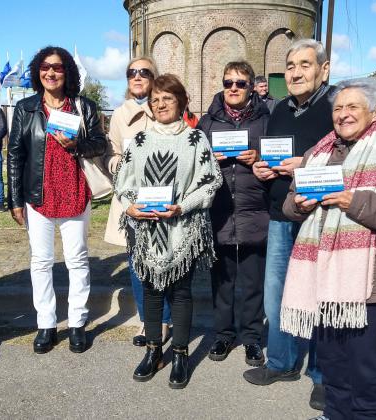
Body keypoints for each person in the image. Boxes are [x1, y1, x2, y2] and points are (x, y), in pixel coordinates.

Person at [282, 80, 376, 420]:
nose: (343, 114)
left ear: (375, 112)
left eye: (353, 107)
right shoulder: (318, 153)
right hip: (321, 277)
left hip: (366, 284)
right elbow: (289, 205)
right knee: (332, 365)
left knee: (363, 372)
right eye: (338, 108)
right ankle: (334, 415)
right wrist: (300, 206)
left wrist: (357, 202)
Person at [115, 74, 222, 389]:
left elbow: (210, 180)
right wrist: (130, 206)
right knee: (150, 291)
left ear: (181, 101)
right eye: (156, 99)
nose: (161, 104)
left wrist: (183, 207)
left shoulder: (195, 139)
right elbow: (124, 182)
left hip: (183, 228)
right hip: (147, 230)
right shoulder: (140, 141)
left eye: (167, 98)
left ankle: (180, 354)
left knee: (181, 292)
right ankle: (153, 351)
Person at [246, 38, 331, 410]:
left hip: (321, 217)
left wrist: (307, 165)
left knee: (321, 296)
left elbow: (349, 161)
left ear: (323, 70)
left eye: (305, 65)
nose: (296, 72)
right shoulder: (279, 109)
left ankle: (324, 375)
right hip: (281, 213)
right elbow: (269, 154)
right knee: (277, 294)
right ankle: (281, 362)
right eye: (291, 65)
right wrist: (259, 168)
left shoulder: (334, 108)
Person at [7, 46, 107, 354]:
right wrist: (14, 199)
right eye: (45, 67)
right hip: (39, 195)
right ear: (38, 71)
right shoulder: (25, 108)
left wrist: (77, 144)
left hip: (75, 191)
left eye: (58, 67)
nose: (51, 72)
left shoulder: (83, 106)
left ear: (67, 73)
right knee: (41, 261)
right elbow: (15, 155)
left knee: (77, 260)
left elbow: (99, 145)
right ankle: (46, 324)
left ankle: (77, 322)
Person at [198, 61, 269, 367]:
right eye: (229, 83)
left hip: (256, 210)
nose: (234, 88)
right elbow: (194, 163)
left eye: (241, 83)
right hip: (221, 210)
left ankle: (252, 338)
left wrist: (260, 156)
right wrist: (207, 160)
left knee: (253, 281)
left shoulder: (267, 118)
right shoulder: (208, 122)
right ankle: (224, 334)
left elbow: (280, 156)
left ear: (252, 86)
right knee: (223, 281)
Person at [103, 56, 172, 346]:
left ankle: (165, 320)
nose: (138, 76)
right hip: (132, 201)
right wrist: (123, 165)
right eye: (132, 72)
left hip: (164, 197)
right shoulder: (120, 114)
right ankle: (147, 321)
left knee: (165, 261)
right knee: (137, 264)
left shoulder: (166, 107)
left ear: (154, 77)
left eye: (144, 72)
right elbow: (110, 154)